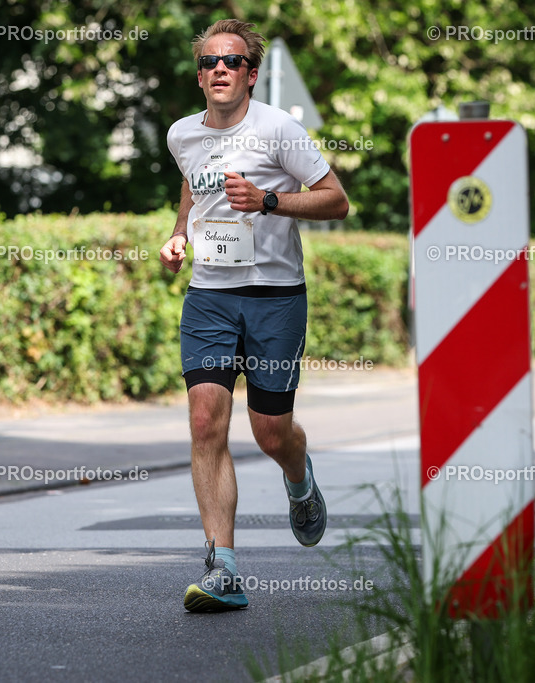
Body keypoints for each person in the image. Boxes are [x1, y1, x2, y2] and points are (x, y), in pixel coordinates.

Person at [159, 19, 349, 612]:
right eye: (209, 61)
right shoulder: (182, 134)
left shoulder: (278, 130)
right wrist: (178, 234)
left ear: (251, 74)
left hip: (275, 297)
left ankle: (299, 475)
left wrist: (268, 200)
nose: (219, 68)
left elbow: (336, 201)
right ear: (199, 77)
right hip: (210, 296)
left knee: (270, 432)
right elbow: (193, 188)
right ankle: (223, 567)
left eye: (232, 61)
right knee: (204, 422)